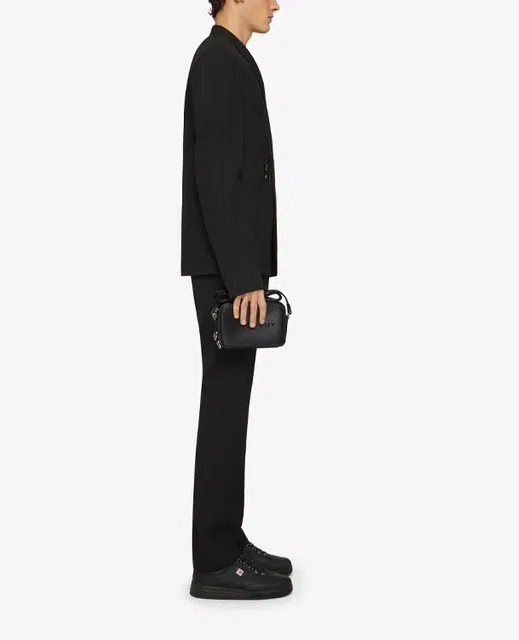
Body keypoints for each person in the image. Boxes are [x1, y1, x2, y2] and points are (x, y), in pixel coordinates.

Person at [180, 0, 292, 600]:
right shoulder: (218, 62)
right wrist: (245, 277)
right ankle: (215, 561)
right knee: (224, 404)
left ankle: (226, 538)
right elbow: (216, 179)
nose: (276, 3)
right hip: (228, 271)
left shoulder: (229, 58)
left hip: (232, 266)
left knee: (230, 403)